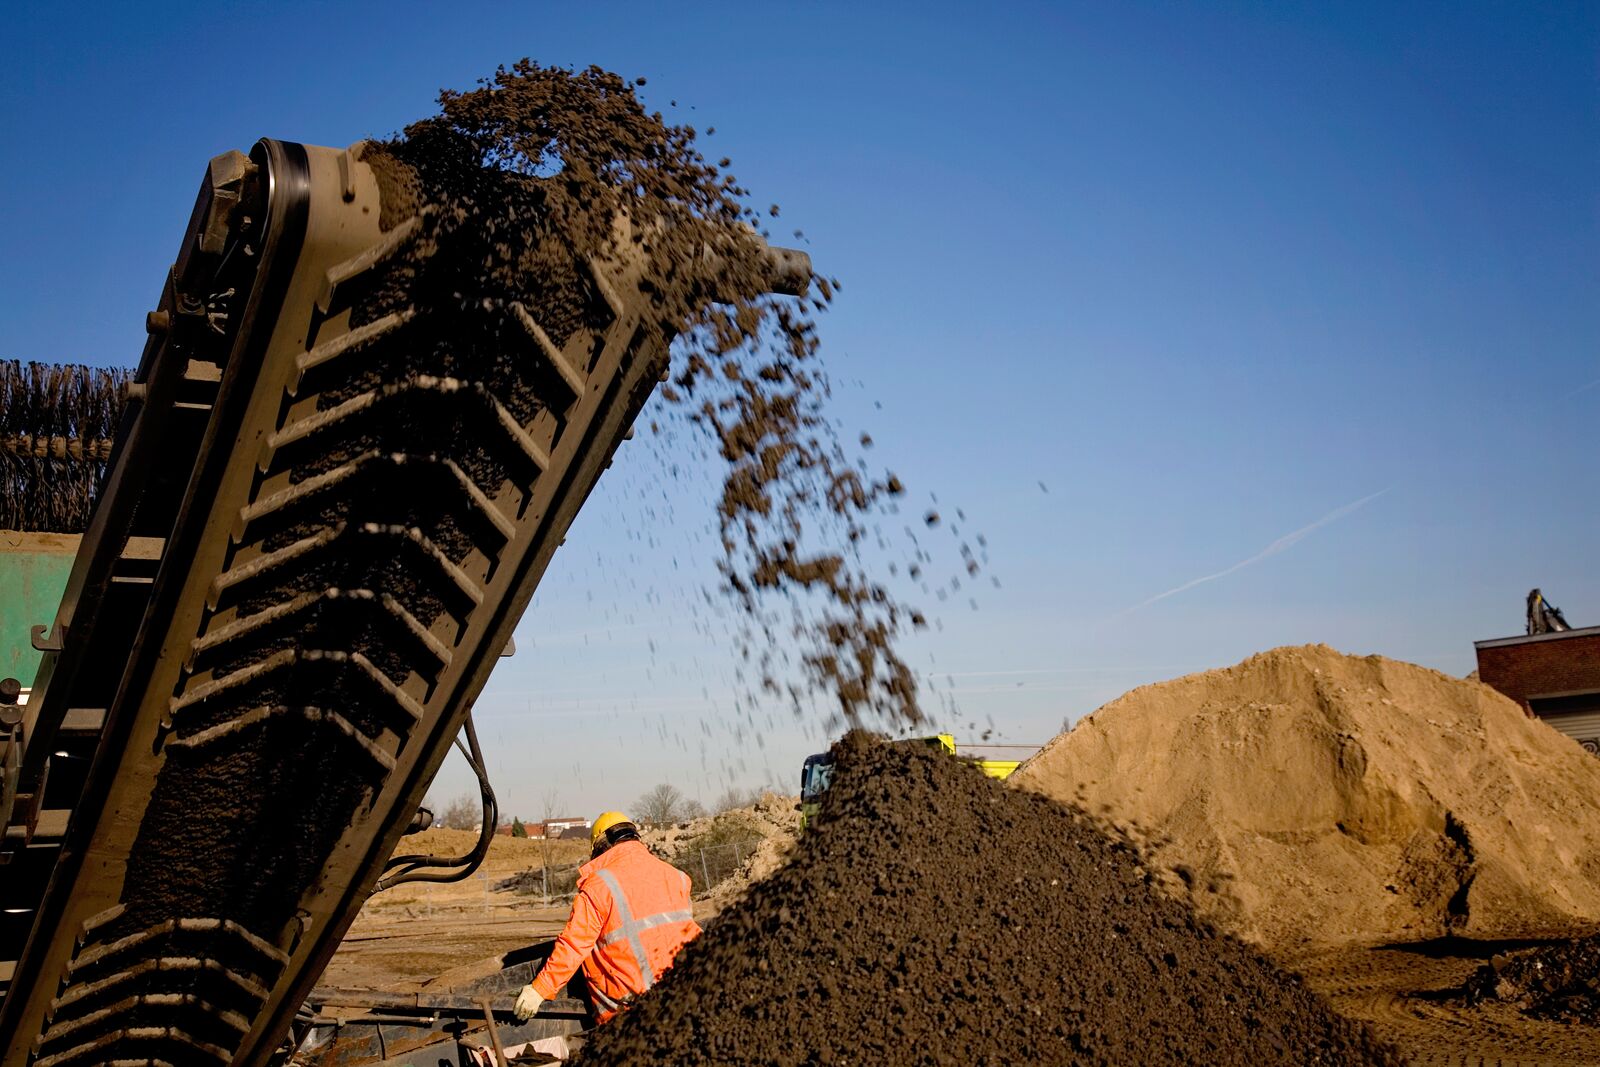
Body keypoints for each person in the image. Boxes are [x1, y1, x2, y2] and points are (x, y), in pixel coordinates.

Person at [513, 811, 701, 1024]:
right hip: (689, 988)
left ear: (599, 847)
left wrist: (541, 989)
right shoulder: (675, 876)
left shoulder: (598, 886)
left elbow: (575, 945)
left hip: (632, 1013)